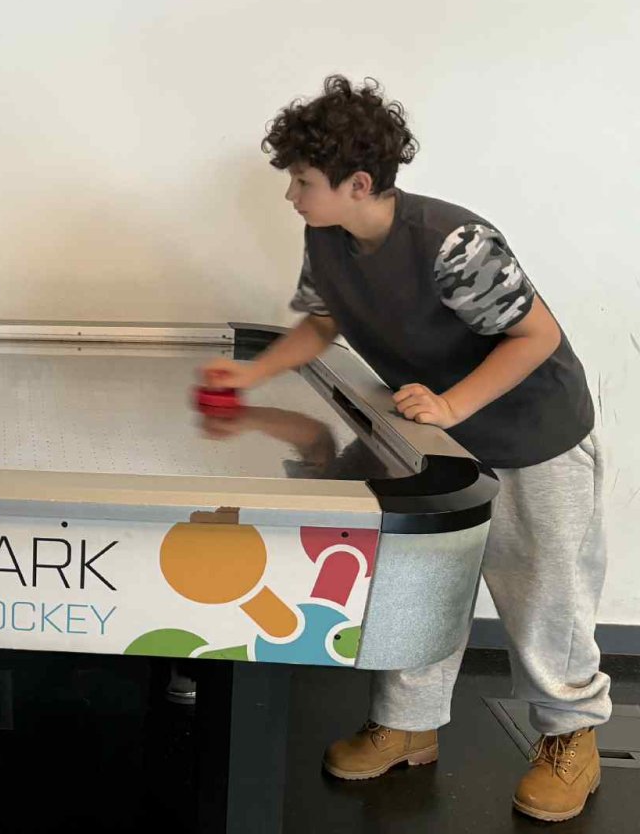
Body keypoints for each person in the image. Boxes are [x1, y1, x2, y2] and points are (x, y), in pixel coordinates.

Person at [202, 75, 607, 822]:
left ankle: (570, 737)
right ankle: (409, 725)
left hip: (534, 436)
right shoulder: (326, 239)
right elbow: (321, 323)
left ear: (358, 184)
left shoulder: (455, 243)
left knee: (544, 596)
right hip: (437, 441)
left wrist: (452, 404)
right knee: (421, 586)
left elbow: (536, 336)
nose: (290, 195)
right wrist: (252, 374)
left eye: (302, 181)